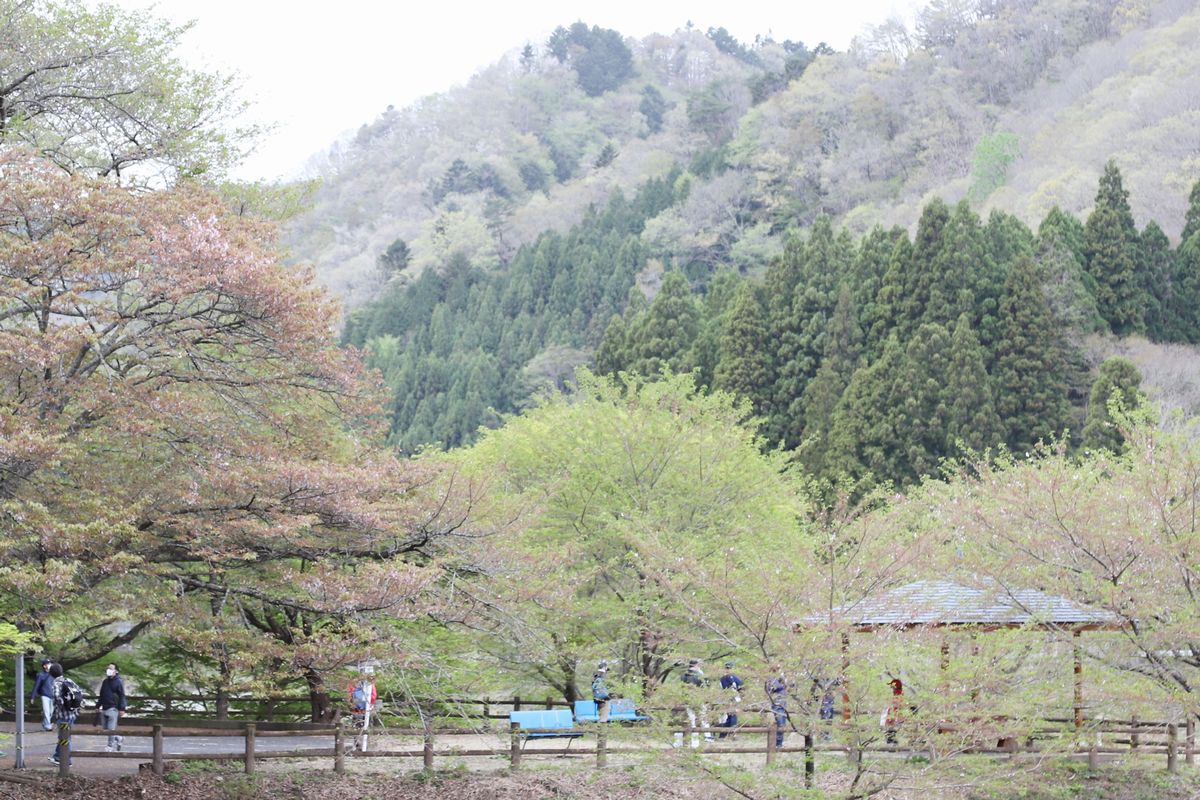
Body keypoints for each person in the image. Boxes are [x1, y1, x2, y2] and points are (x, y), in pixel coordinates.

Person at [48, 662, 81, 766]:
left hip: (63, 715)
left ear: (51, 673)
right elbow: (79, 693)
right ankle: (57, 756)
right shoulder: (68, 680)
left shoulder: (56, 683)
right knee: (64, 736)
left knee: (65, 737)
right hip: (72, 714)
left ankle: (67, 760)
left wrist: (61, 707)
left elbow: (57, 697)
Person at [674, 658, 710, 748]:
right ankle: (707, 736)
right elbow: (705, 687)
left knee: (691, 719)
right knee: (703, 717)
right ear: (696, 665)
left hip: (687, 699)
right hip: (698, 699)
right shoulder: (699, 675)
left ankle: (694, 739)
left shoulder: (684, 675)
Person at [98, 662, 127, 752]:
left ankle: (110, 746)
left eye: (111, 668)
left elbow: (122, 695)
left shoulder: (119, 682)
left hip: (113, 708)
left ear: (116, 671)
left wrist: (122, 708)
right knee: (105, 729)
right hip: (104, 707)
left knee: (111, 729)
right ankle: (119, 738)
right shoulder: (105, 682)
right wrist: (97, 705)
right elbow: (101, 694)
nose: (108, 670)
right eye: (108, 668)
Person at [718, 661, 743, 738]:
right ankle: (732, 733)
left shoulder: (722, 678)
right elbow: (740, 686)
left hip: (726, 698)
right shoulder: (733, 677)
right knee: (733, 716)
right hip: (733, 698)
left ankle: (723, 735)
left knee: (730, 717)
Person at [765, 664, 788, 749]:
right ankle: (778, 744)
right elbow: (771, 689)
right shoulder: (771, 679)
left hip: (784, 703)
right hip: (776, 703)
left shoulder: (783, 677)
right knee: (780, 723)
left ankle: (780, 743)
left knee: (783, 724)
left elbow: (789, 687)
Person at [30, 659, 55, 731]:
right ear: (44, 666)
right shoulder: (40, 675)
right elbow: (36, 686)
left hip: (53, 696)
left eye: (50, 663)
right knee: (46, 711)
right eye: (48, 664)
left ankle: (45, 723)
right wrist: (32, 697)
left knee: (51, 712)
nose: (50, 665)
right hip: (44, 695)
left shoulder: (53, 674)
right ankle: (48, 726)